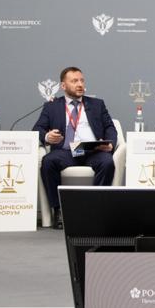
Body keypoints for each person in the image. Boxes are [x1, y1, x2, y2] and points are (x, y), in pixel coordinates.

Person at [33, 67, 116, 229]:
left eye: (82, 81)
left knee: (107, 162)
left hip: (92, 151)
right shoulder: (52, 106)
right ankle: (59, 210)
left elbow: (110, 127)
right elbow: (38, 129)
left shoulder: (97, 104)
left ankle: (97, 209)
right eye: (74, 81)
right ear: (63, 86)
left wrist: (110, 143)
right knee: (48, 162)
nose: (80, 84)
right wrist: (47, 137)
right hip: (66, 152)